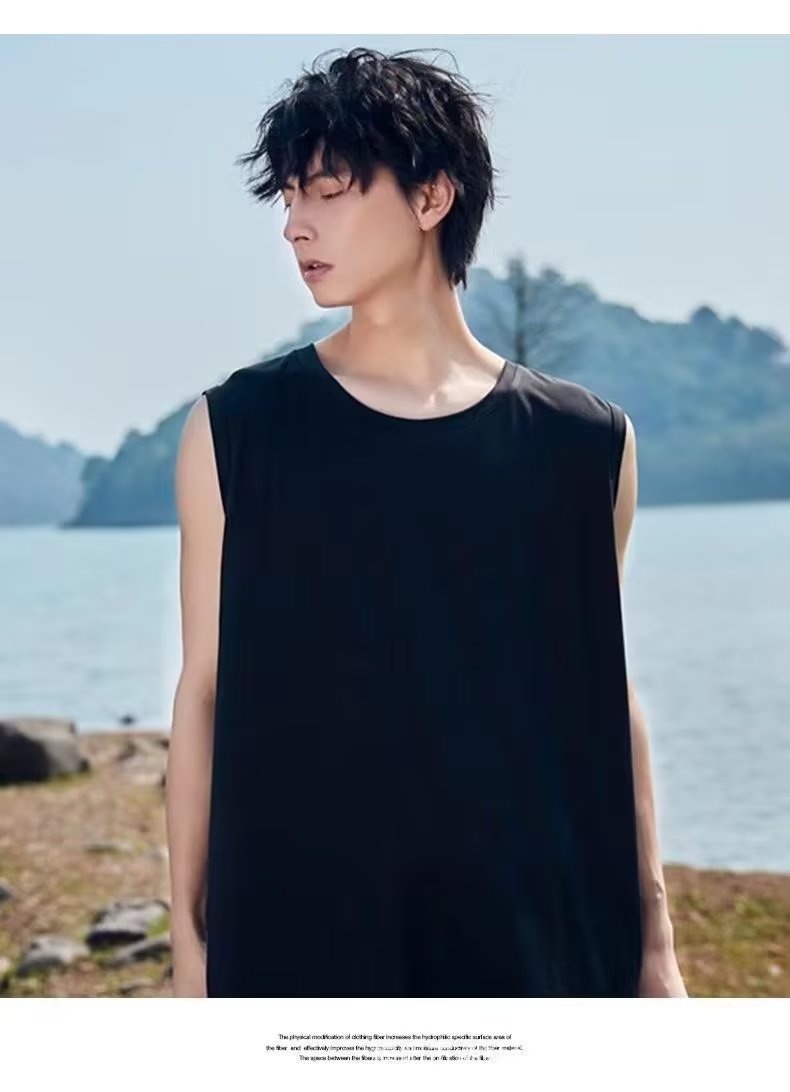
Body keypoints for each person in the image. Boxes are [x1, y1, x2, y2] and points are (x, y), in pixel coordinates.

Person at [165, 46, 687, 998]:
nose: (295, 224)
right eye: (288, 197)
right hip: (302, 941)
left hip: (537, 946)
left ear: (432, 197)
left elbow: (603, 694)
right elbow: (203, 691)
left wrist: (655, 943)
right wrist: (187, 941)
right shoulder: (237, 432)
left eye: (328, 191)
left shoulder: (583, 443)